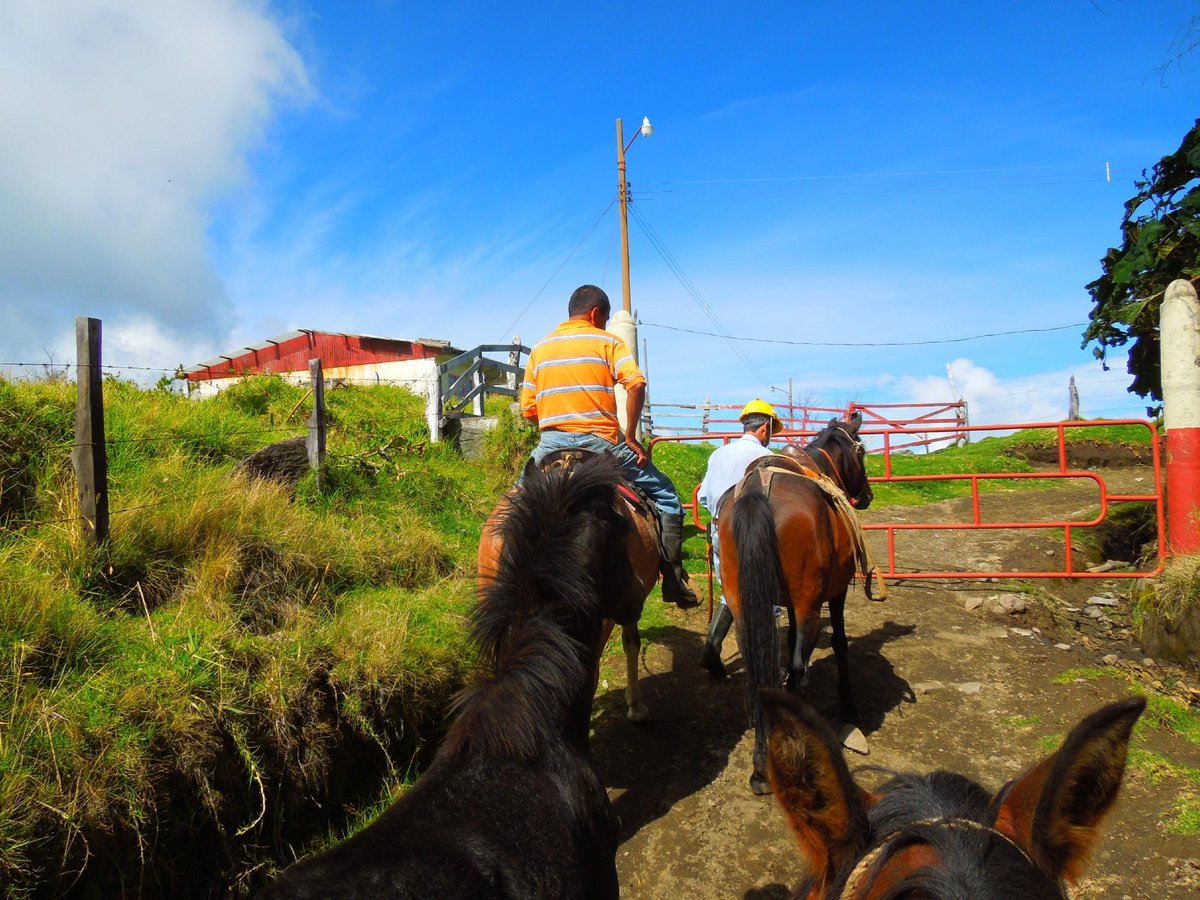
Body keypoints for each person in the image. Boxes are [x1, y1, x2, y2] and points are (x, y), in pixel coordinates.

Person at [520, 284, 700, 608]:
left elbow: (528, 410)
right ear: (596, 314)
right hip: (603, 445)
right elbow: (636, 383)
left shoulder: (540, 349)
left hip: (549, 446)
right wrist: (630, 435)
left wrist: (556, 427)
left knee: (516, 504)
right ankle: (673, 580)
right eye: (602, 320)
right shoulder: (608, 341)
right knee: (668, 497)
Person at [696, 398, 783, 675]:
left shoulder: (718, 455)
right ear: (765, 428)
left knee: (732, 590)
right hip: (752, 533)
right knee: (762, 594)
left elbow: (702, 496)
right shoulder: (765, 459)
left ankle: (712, 648)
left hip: (720, 529)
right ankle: (766, 666)